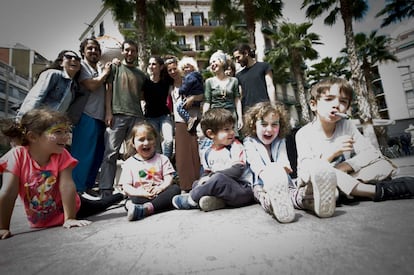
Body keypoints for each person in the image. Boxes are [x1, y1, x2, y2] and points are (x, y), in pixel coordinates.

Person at [294, 78, 414, 216]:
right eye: (329, 99)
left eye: (343, 101)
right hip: (315, 182)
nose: (336, 105)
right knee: (326, 174)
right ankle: (374, 191)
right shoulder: (303, 134)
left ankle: (347, 193)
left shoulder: (346, 125)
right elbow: (305, 173)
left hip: (345, 177)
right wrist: (331, 154)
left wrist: (344, 166)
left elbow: (371, 153)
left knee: (384, 164)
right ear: (313, 105)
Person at [0, 108, 124, 240]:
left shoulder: (62, 155)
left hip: (75, 206)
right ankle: (119, 195)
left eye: (66, 131)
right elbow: (8, 193)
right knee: (101, 203)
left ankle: (120, 195)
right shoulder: (16, 156)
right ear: (33, 137)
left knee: (102, 204)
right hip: (42, 217)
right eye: (58, 132)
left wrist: (70, 218)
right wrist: (3, 227)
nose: (66, 136)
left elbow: (67, 186)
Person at [172, 108, 254, 212]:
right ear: (211, 134)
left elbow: (237, 170)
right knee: (197, 183)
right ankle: (217, 201)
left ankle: (191, 200)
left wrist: (211, 177)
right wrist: (203, 180)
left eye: (232, 128)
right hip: (224, 190)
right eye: (226, 129)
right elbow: (206, 172)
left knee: (218, 179)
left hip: (242, 189)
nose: (232, 132)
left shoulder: (235, 146)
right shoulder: (207, 152)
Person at [99, 40, 147, 198]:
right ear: (122, 51)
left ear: (137, 52)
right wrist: (108, 112)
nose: (130, 53)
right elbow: (108, 89)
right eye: (127, 50)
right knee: (110, 152)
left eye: (133, 50)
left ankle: (134, 187)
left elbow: (142, 95)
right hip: (117, 115)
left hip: (137, 116)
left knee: (134, 153)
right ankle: (106, 189)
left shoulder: (141, 75)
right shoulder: (115, 67)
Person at [68, 38, 112, 195]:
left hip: (100, 118)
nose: (94, 51)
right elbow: (92, 85)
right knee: (82, 155)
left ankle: (87, 187)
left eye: (96, 49)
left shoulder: (99, 68)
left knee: (97, 155)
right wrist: (106, 73)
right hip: (86, 116)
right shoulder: (82, 67)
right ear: (83, 52)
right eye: (90, 48)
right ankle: (76, 191)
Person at [242, 102, 296, 223]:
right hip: (260, 182)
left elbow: (283, 157)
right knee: (261, 195)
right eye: (264, 124)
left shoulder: (280, 140)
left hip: (281, 180)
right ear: (253, 125)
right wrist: (266, 175)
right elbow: (254, 162)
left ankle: (304, 199)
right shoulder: (249, 141)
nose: (269, 129)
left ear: (280, 126)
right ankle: (274, 205)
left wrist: (284, 167)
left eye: (274, 124)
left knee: (292, 193)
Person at [119, 122, 181, 221]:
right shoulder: (129, 163)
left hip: (159, 193)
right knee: (130, 201)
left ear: (155, 141)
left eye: (150, 139)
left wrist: (161, 188)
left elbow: (168, 178)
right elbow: (126, 186)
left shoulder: (162, 159)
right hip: (140, 195)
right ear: (133, 144)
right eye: (141, 140)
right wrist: (141, 193)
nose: (146, 143)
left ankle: (146, 209)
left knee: (175, 189)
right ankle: (152, 207)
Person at [165, 56, 202, 192]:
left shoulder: (189, 80)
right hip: (179, 121)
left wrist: (193, 98)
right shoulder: (169, 86)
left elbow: (202, 95)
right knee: (182, 156)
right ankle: (186, 185)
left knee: (195, 153)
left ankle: (198, 183)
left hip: (194, 118)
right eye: (170, 70)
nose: (173, 71)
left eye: (175, 68)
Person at [16, 50, 81, 119]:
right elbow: (35, 97)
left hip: (52, 125)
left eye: (77, 59)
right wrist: (22, 120)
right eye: (68, 57)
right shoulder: (53, 74)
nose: (73, 59)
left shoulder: (74, 87)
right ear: (61, 63)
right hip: (37, 121)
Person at [203, 50, 243, 137]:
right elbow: (207, 101)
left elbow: (237, 100)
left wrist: (240, 118)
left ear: (222, 61)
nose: (212, 64)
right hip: (216, 116)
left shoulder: (233, 81)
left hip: (231, 115)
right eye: (210, 63)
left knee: (232, 140)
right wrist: (204, 119)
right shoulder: (209, 82)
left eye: (214, 61)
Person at [143, 56, 174, 160]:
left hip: (164, 115)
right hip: (150, 117)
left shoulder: (166, 81)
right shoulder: (145, 81)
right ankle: (159, 166)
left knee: (169, 140)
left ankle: (166, 162)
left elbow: (177, 74)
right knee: (155, 144)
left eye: (154, 64)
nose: (151, 66)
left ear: (161, 67)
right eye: (150, 64)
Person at [233, 44, 276, 112]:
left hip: (264, 108)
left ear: (246, 53)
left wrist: (273, 107)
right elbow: (240, 96)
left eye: (238, 57)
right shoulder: (239, 76)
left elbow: (270, 86)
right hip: (248, 112)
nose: (237, 61)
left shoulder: (264, 66)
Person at [176, 56, 204, 132]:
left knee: (179, 108)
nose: (185, 69)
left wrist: (180, 91)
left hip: (192, 97)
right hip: (198, 100)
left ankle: (189, 120)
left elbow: (185, 87)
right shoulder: (199, 77)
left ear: (193, 67)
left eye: (187, 67)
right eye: (183, 68)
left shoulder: (189, 77)